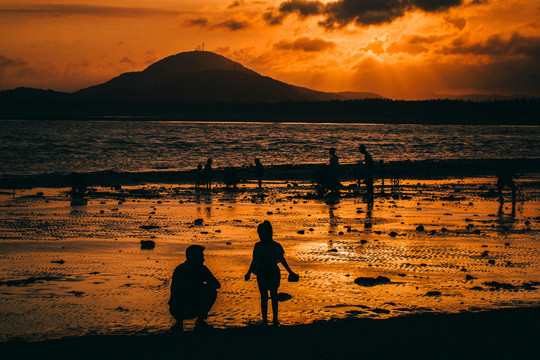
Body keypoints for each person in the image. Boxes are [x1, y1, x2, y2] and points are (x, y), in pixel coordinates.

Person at [244, 221, 298, 325]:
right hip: (264, 273)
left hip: (271, 273)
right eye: (259, 234)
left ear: (268, 233)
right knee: (265, 297)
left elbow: (282, 260)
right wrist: (248, 273)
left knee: (272, 296)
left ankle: (274, 319)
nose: (260, 236)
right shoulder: (262, 246)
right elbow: (254, 261)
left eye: (262, 234)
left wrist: (290, 272)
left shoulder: (273, 246)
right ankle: (266, 320)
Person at [169, 245, 221, 332]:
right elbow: (216, 284)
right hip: (191, 307)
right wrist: (204, 285)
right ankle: (200, 321)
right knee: (212, 291)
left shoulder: (179, 269)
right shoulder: (201, 269)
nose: (203, 260)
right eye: (201, 257)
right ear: (195, 258)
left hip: (175, 309)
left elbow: (174, 290)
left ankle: (179, 323)